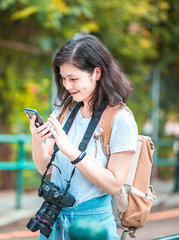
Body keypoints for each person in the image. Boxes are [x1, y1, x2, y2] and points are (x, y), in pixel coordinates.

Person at [28, 34, 138, 240]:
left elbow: (114, 184)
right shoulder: (64, 110)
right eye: (63, 78)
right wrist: (37, 140)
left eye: (74, 78)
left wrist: (72, 151)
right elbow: (47, 168)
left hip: (93, 224)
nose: (68, 86)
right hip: (54, 221)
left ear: (96, 73)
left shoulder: (120, 119)